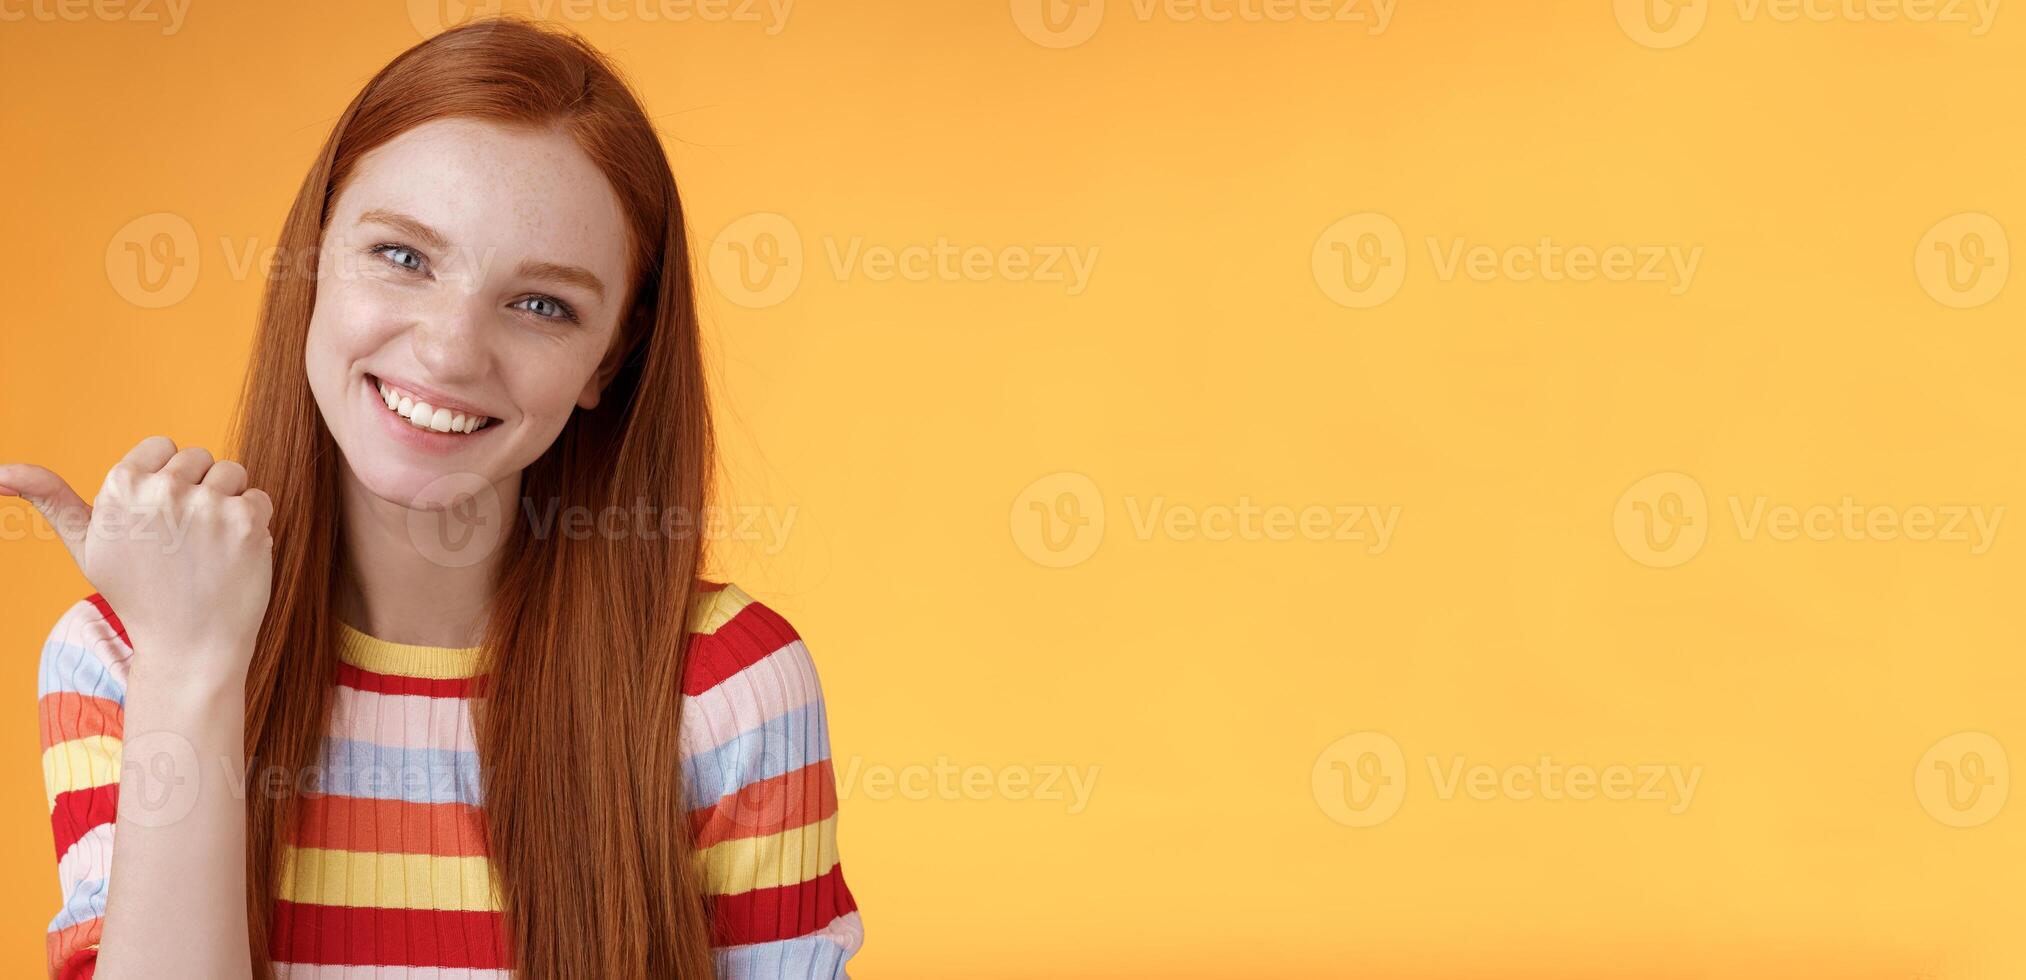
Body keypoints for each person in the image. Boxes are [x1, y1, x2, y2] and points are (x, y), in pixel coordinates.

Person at [3, 16, 860, 979]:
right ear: (313, 255)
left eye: (543, 305)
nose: (452, 351)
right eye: (403, 257)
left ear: (608, 358)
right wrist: (190, 667)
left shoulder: (727, 689)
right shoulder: (126, 655)